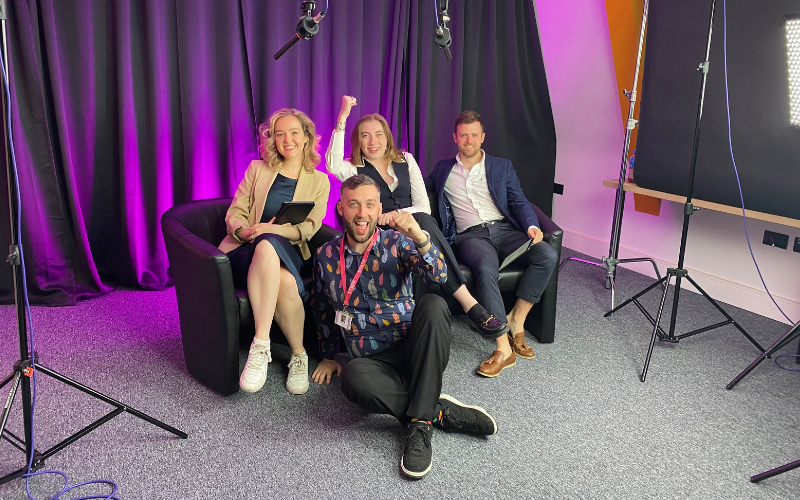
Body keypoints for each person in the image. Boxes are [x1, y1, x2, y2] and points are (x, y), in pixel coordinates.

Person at [309, 175, 497, 479]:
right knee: (353, 378)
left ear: (379, 207)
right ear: (340, 208)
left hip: (416, 347)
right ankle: (434, 411)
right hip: (371, 360)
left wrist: (420, 236)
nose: (362, 213)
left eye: (370, 204)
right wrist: (330, 355)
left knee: (435, 304)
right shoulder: (326, 256)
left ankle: (418, 427)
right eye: (353, 204)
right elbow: (321, 308)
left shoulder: (397, 243)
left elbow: (438, 277)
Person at [324, 95, 508, 340]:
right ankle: (470, 305)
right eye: (365, 135)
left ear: (386, 136)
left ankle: (423, 320)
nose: (372, 141)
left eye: (378, 134)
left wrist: (398, 216)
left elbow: (423, 204)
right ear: (357, 140)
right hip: (379, 233)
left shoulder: (405, 159)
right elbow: (331, 165)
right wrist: (343, 118)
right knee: (422, 226)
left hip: (413, 226)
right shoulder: (351, 167)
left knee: (422, 222)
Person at [425, 111, 558, 378]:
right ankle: (502, 345)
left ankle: (516, 319)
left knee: (546, 254)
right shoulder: (442, 169)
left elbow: (519, 201)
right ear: (455, 138)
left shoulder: (501, 166)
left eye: (474, 134)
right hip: (470, 236)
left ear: (483, 137)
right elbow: (416, 189)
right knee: (486, 268)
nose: (469, 139)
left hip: (505, 230)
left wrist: (532, 226)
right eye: (464, 134)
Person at [219, 108, 330, 395]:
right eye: (280, 134)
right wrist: (246, 231)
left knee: (282, 273)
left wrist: (275, 230)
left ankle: (292, 354)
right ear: (273, 140)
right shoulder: (258, 169)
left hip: (289, 249)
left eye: (294, 132)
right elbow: (236, 213)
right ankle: (267, 345)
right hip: (245, 250)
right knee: (270, 254)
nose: (287, 139)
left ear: (306, 138)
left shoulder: (319, 180)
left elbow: (309, 227)